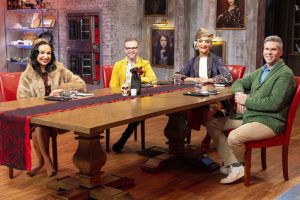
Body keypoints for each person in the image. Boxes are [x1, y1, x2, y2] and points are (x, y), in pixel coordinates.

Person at [206, 35, 296, 184]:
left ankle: (239, 166)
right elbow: (239, 82)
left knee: (234, 137)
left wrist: (247, 101)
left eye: (273, 49)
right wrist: (239, 93)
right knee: (213, 124)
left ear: (280, 52)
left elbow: (274, 104)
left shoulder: (285, 74)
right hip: (253, 117)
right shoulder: (263, 70)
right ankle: (234, 165)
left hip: (270, 121)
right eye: (266, 49)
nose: (269, 52)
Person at [17, 38, 86, 177]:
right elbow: (22, 101)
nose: (45, 56)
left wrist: (61, 88)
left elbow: (81, 84)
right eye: (42, 53)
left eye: (48, 53)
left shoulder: (58, 68)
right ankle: (47, 162)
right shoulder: (26, 76)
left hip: (57, 115)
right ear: (35, 54)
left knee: (39, 127)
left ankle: (40, 163)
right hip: (34, 116)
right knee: (38, 125)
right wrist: (42, 101)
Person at [177, 28, 233, 151]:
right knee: (180, 111)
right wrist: (195, 80)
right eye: (201, 41)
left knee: (209, 111)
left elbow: (228, 78)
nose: (204, 44)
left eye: (207, 41)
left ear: (211, 44)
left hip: (215, 97)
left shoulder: (217, 60)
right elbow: (177, 76)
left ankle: (209, 136)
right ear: (196, 44)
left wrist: (208, 80)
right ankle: (178, 143)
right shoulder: (192, 61)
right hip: (195, 97)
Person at [110, 37, 157, 152]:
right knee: (136, 112)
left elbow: (153, 79)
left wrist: (137, 78)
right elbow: (112, 86)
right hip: (123, 98)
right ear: (125, 50)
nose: (131, 50)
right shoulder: (118, 64)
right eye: (128, 48)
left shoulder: (144, 63)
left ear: (138, 49)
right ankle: (123, 139)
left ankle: (123, 139)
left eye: (134, 48)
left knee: (138, 111)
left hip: (140, 99)